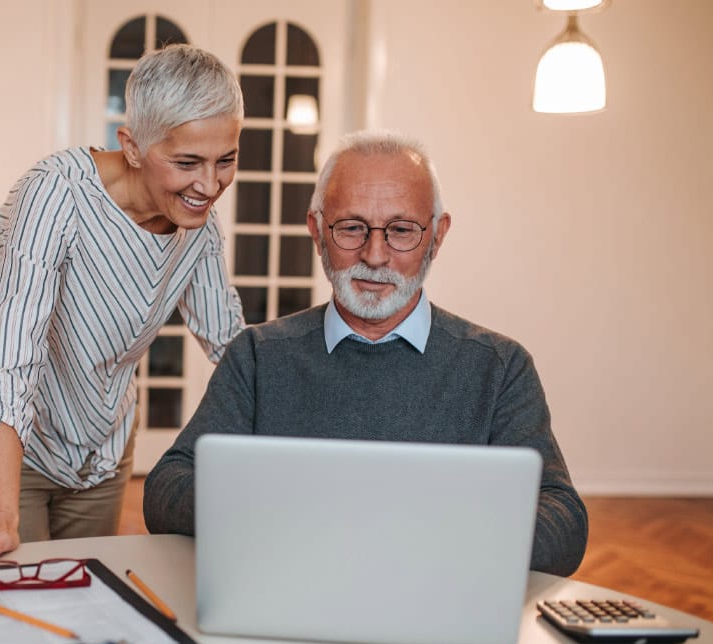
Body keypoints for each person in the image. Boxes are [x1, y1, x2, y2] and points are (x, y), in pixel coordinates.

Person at [143, 129, 588, 576]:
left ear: (437, 236)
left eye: (401, 230)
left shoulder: (499, 367)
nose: (375, 255)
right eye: (352, 228)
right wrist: (288, 512)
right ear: (317, 231)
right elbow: (167, 489)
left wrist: (415, 536)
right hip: (291, 604)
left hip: (437, 615)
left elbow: (563, 522)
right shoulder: (259, 357)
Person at [0, 45, 245, 573]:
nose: (210, 184)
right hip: (1, 444)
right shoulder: (55, 194)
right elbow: (10, 354)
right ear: (131, 146)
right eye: (186, 162)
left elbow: (229, 341)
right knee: (17, 598)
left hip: (99, 449)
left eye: (226, 159)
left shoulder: (196, 227)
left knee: (85, 606)